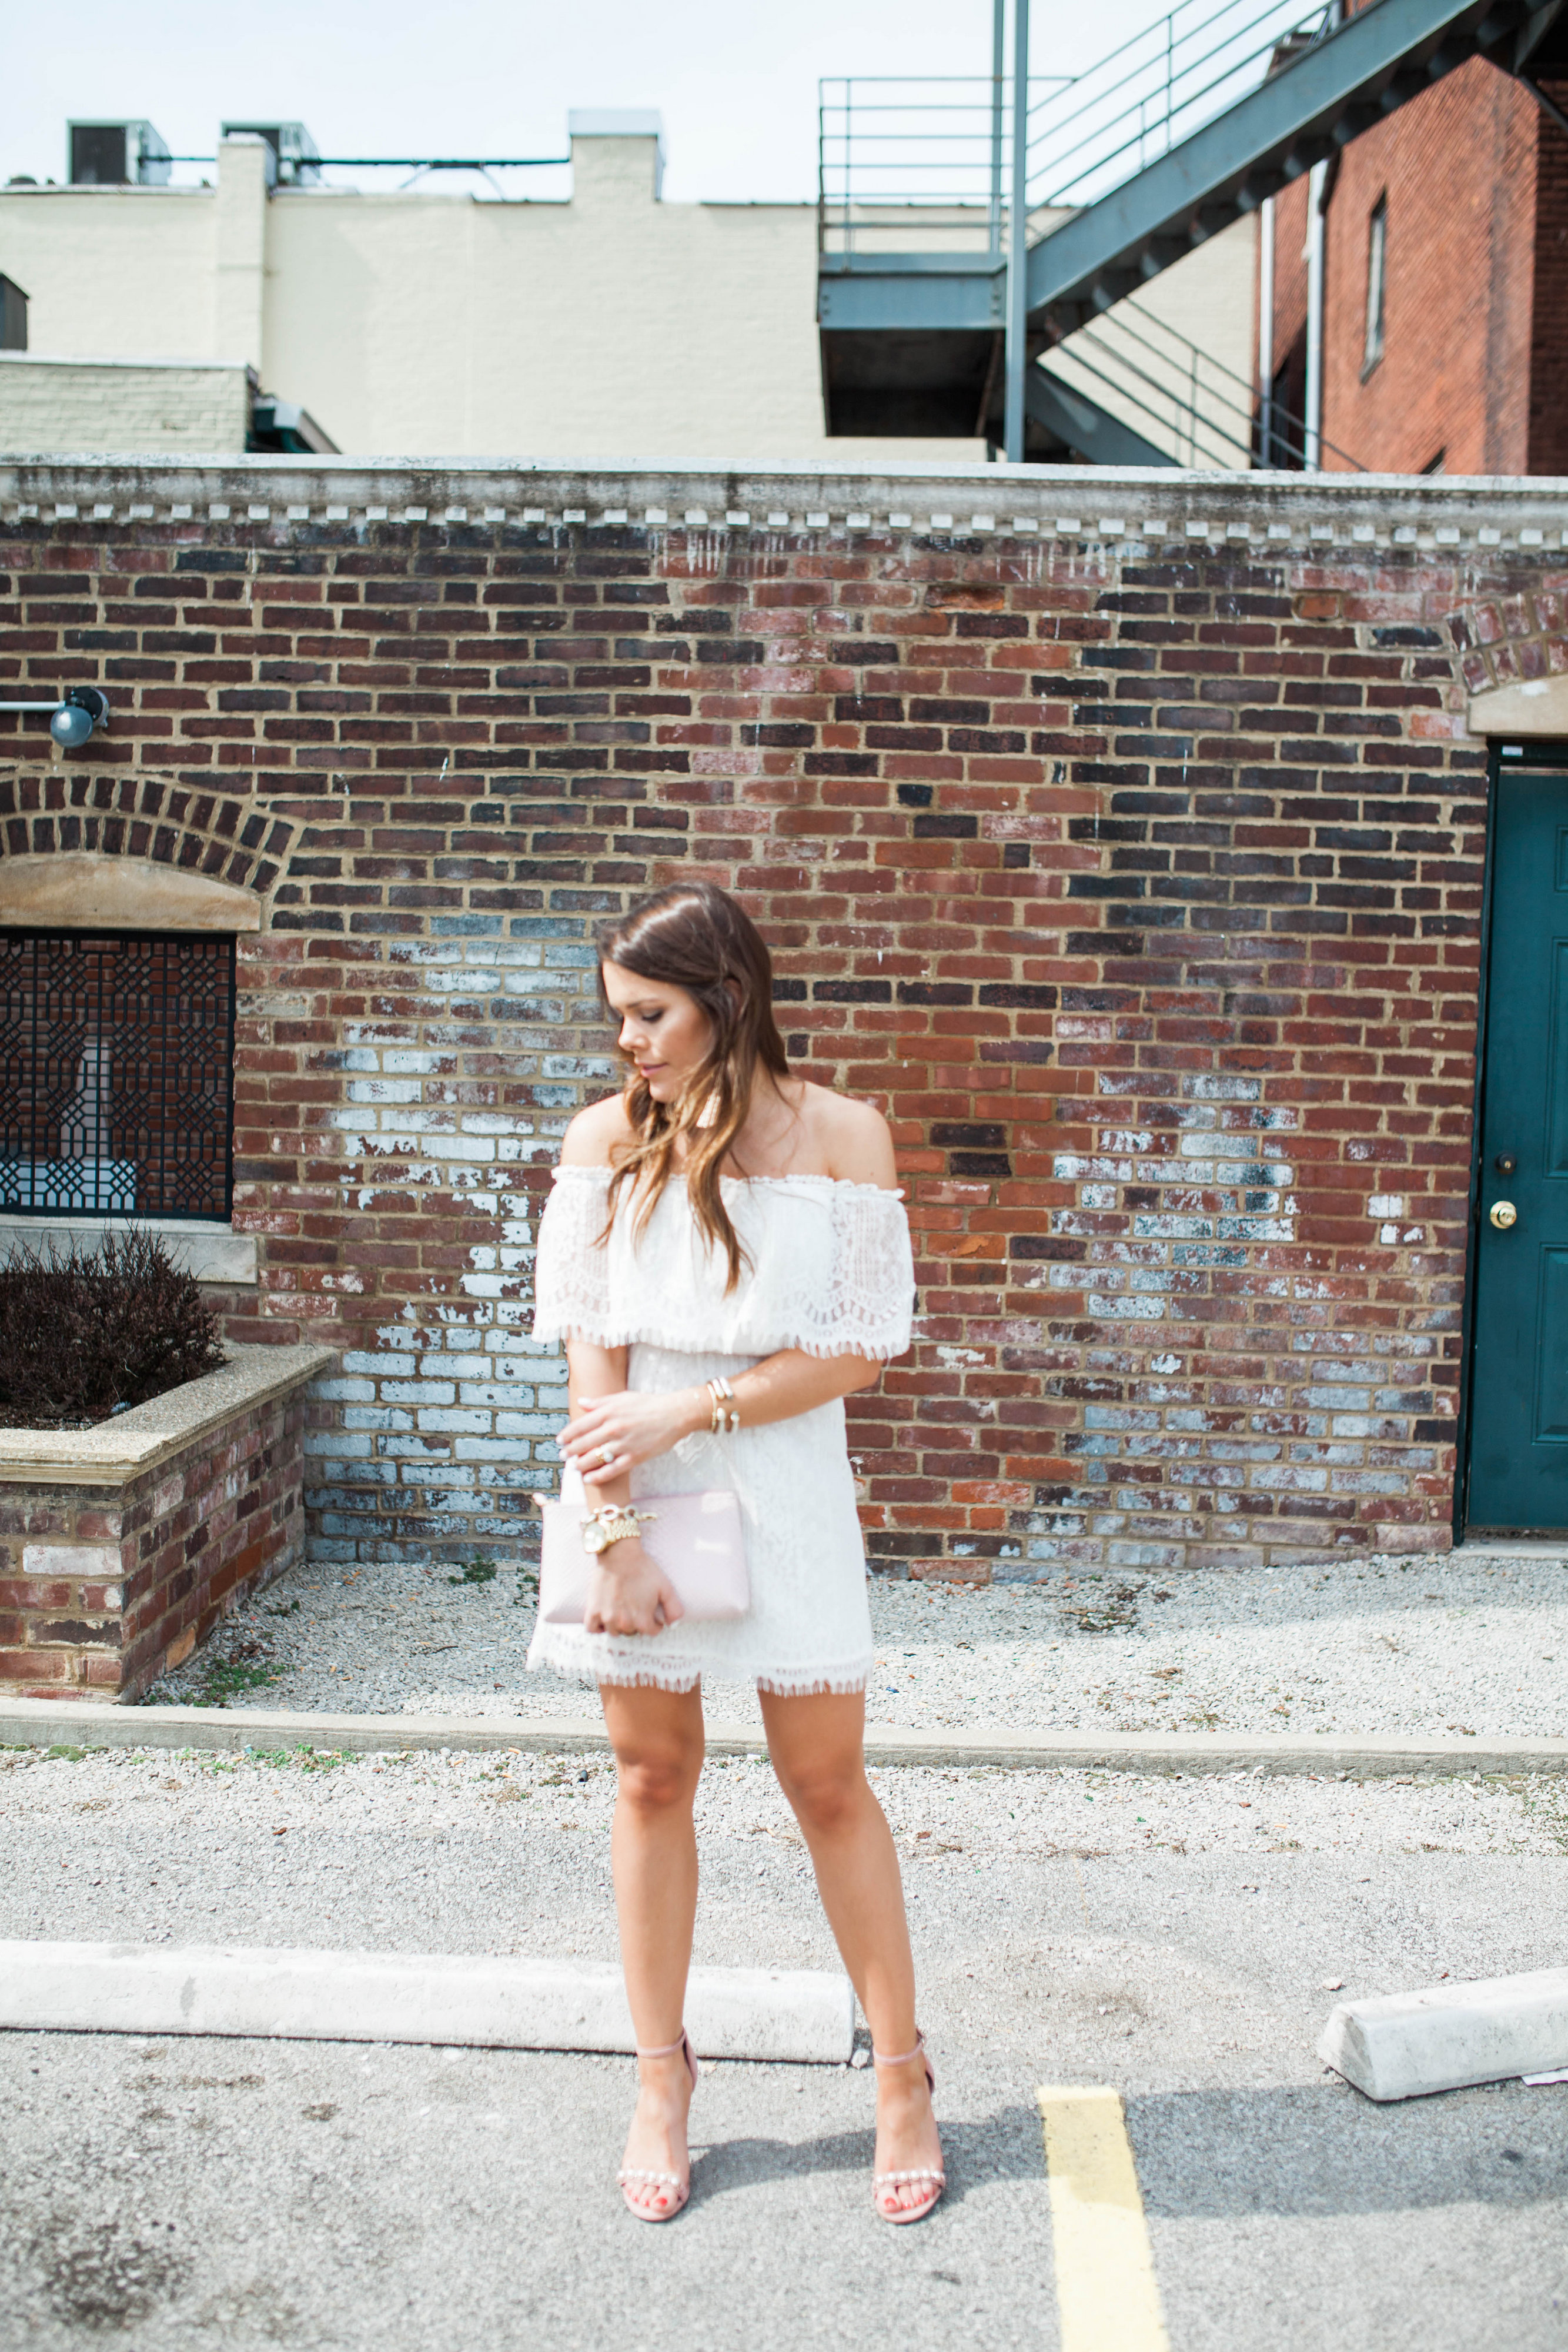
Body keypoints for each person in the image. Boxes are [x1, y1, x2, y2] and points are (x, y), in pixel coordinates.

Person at [527, 880, 945, 2226]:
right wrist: (612, 1525)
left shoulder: (842, 1134)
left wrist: (694, 1404)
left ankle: (900, 2076)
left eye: (648, 1013)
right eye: (616, 1019)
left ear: (726, 996)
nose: (627, 1043)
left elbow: (856, 1346)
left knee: (827, 1785)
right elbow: (592, 1349)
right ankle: (660, 2076)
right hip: (634, 1484)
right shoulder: (607, 1137)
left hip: (784, 1483)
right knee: (650, 1774)